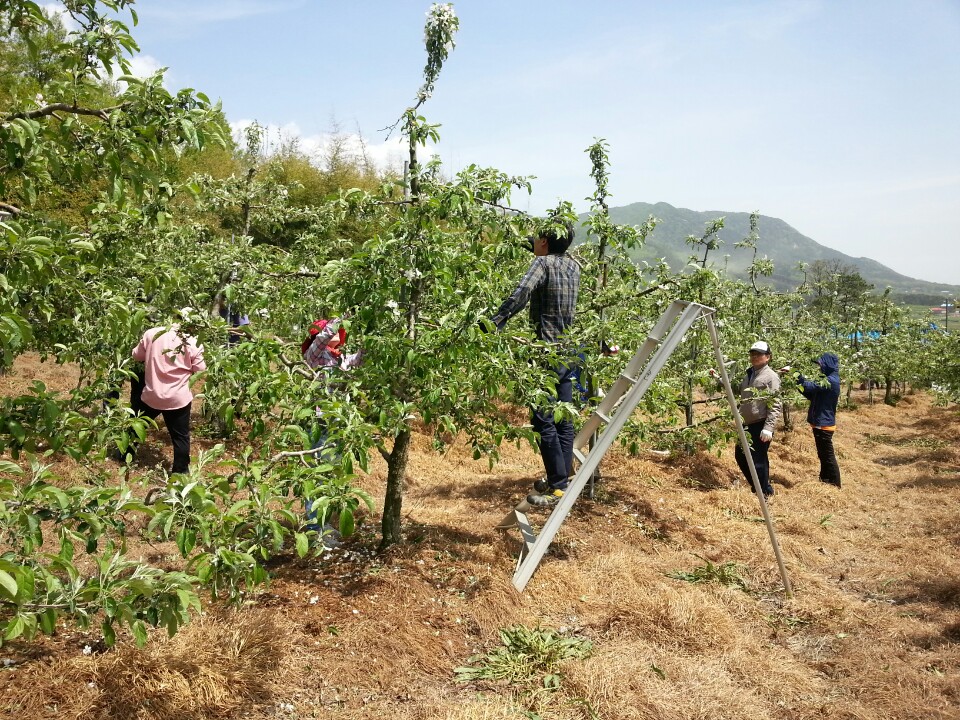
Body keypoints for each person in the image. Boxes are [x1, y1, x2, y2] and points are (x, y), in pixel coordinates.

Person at [487, 220, 581, 508]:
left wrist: (495, 322)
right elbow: (540, 247)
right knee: (564, 418)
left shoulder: (542, 266)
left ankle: (556, 486)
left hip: (546, 352)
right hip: (569, 351)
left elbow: (521, 293)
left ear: (545, 243)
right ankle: (562, 481)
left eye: (538, 239)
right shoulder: (574, 266)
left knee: (543, 420)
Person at [300, 315, 363, 535]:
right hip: (319, 421)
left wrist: (371, 339)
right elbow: (321, 339)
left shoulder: (340, 357)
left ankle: (324, 525)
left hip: (337, 424)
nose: (337, 331)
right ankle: (314, 528)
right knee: (315, 474)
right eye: (332, 329)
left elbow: (359, 359)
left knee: (330, 475)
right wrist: (338, 320)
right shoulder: (315, 355)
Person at [127, 321, 206, 474]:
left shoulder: (152, 333)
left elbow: (136, 356)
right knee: (180, 437)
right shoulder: (192, 340)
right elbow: (201, 369)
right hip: (178, 398)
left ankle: (124, 454)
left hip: (152, 394)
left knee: (136, 426)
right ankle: (180, 472)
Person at [733, 340, 782, 499]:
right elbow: (738, 391)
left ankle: (765, 494)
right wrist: (720, 379)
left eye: (759, 354)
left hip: (760, 424)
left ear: (767, 357)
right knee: (740, 456)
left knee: (758, 461)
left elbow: (775, 403)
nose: (755, 357)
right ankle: (759, 488)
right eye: (753, 354)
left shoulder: (771, 377)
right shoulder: (750, 373)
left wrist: (768, 427)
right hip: (746, 424)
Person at [791, 353, 842, 488]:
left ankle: (835, 484)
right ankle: (825, 479)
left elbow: (809, 386)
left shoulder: (830, 381)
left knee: (827, 456)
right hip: (821, 423)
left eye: (821, 364)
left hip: (823, 424)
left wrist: (795, 373)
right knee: (823, 454)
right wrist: (798, 382)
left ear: (828, 365)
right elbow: (809, 393)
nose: (819, 367)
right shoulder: (828, 379)